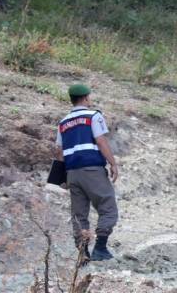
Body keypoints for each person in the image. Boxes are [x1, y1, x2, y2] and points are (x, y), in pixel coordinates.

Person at [54, 84, 119, 262]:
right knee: (108, 208)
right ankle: (100, 248)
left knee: (79, 214)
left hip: (72, 173)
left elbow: (59, 151)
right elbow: (100, 140)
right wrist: (112, 163)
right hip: (92, 169)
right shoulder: (93, 116)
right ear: (86, 98)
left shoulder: (63, 122)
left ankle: (83, 253)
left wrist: (61, 178)